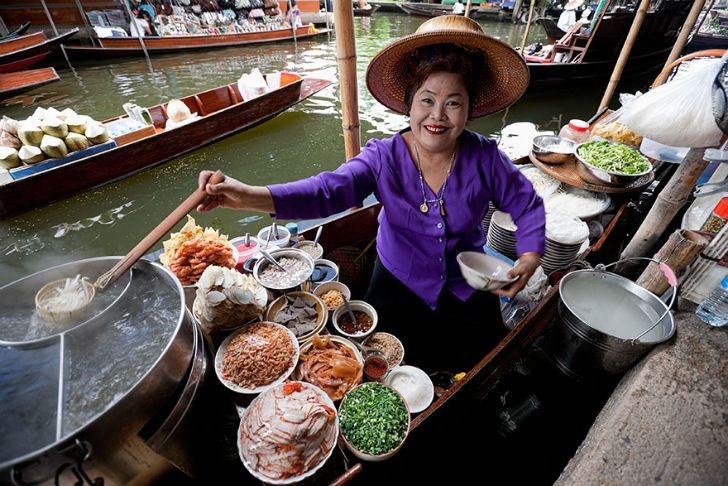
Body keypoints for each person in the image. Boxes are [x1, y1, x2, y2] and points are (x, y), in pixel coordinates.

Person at [197, 16, 545, 372]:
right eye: (427, 100)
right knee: (386, 367)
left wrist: (529, 259)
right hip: (397, 282)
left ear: (469, 109)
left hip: (467, 283)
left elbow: (528, 205)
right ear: (409, 104)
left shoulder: (485, 156)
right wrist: (244, 196)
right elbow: (326, 192)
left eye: (454, 102)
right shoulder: (383, 156)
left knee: (478, 362)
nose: (437, 116)